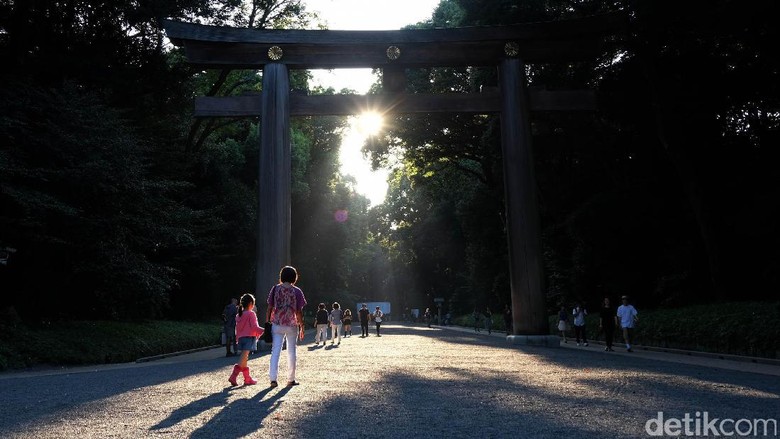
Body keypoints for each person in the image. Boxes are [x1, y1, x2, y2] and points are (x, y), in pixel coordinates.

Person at [266, 265, 307, 387]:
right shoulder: (297, 291)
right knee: (291, 351)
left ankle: (273, 379)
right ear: (294, 277)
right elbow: (299, 311)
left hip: (277, 323)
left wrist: (268, 321)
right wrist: (302, 325)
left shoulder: (275, 289)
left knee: (275, 351)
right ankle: (291, 379)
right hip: (291, 324)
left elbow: (269, 307)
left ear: (282, 276)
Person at [228, 293, 263, 386]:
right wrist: (265, 330)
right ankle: (233, 376)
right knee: (243, 358)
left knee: (244, 359)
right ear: (251, 303)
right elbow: (255, 327)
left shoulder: (239, 315)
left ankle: (247, 379)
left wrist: (237, 339)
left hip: (241, 338)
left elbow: (237, 329)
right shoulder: (251, 314)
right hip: (249, 338)